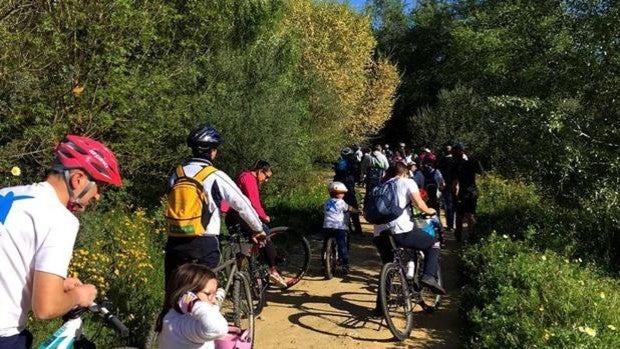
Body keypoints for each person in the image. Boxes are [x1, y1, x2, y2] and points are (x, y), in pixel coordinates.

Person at [0, 135, 122, 348]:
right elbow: (45, 309)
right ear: (78, 179)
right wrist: (79, 295)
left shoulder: (7, 194)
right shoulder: (61, 219)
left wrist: (58, 286)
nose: (98, 196)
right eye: (99, 186)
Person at [165, 124, 266, 287]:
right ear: (212, 151)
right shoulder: (214, 175)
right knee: (206, 295)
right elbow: (242, 204)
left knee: (172, 295)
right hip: (204, 242)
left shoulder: (176, 173)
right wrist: (257, 229)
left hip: (175, 240)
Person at [372, 162, 446, 314]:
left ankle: (381, 308)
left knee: (389, 266)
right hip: (400, 231)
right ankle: (428, 276)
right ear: (405, 173)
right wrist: (430, 210)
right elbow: (419, 205)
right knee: (433, 243)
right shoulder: (407, 182)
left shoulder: (380, 186)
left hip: (379, 233)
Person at [223, 160, 287, 288]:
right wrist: (264, 216)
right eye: (267, 177)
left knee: (242, 249)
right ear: (260, 171)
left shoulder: (244, 177)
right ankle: (273, 269)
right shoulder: (249, 178)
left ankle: (238, 283)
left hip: (234, 216)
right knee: (264, 231)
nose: (266, 180)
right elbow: (254, 202)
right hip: (239, 217)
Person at [156, 263, 229, 349]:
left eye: (214, 294)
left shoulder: (171, 316)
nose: (213, 300)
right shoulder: (184, 325)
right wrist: (194, 304)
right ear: (187, 294)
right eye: (208, 294)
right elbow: (218, 328)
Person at [323, 182, 358, 276]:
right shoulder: (342, 202)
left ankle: (324, 263)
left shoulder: (327, 202)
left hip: (327, 227)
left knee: (325, 244)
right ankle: (345, 266)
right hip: (339, 228)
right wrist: (357, 211)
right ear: (338, 194)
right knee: (342, 246)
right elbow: (349, 208)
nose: (343, 194)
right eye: (342, 193)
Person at [451, 143, 482, 242]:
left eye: (453, 151)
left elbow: (455, 183)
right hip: (473, 191)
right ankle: (472, 236)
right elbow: (481, 172)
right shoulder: (471, 162)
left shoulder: (455, 164)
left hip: (462, 193)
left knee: (460, 214)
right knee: (470, 214)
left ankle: (458, 235)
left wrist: (454, 194)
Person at [333, 147, 363, 236]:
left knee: (340, 208)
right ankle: (358, 231)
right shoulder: (352, 164)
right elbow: (357, 176)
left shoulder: (338, 163)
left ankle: (345, 228)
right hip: (349, 189)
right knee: (353, 208)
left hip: (338, 188)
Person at [436, 144, 455, 231]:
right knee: (453, 205)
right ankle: (453, 224)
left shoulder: (442, 160)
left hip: (445, 185)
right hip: (454, 184)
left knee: (448, 205)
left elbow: (438, 172)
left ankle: (450, 225)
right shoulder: (455, 160)